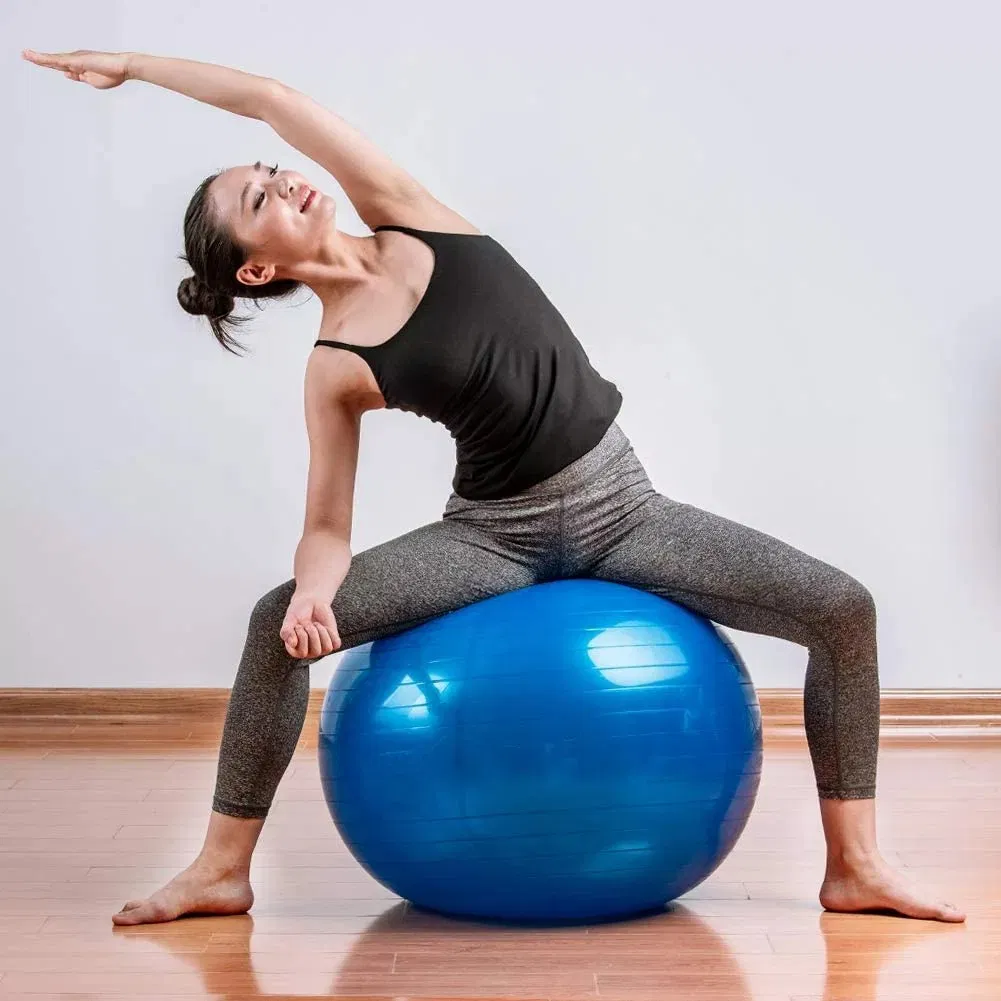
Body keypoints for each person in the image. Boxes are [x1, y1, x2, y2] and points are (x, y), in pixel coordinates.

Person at [23, 48, 965, 926]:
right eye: (258, 198)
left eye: (271, 171)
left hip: (622, 509)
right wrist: (314, 592)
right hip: (491, 537)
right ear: (258, 267)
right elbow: (326, 524)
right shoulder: (335, 364)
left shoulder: (407, 212)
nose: (284, 180)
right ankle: (220, 869)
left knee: (842, 609)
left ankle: (855, 866)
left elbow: (271, 99)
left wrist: (134, 67)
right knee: (277, 620)